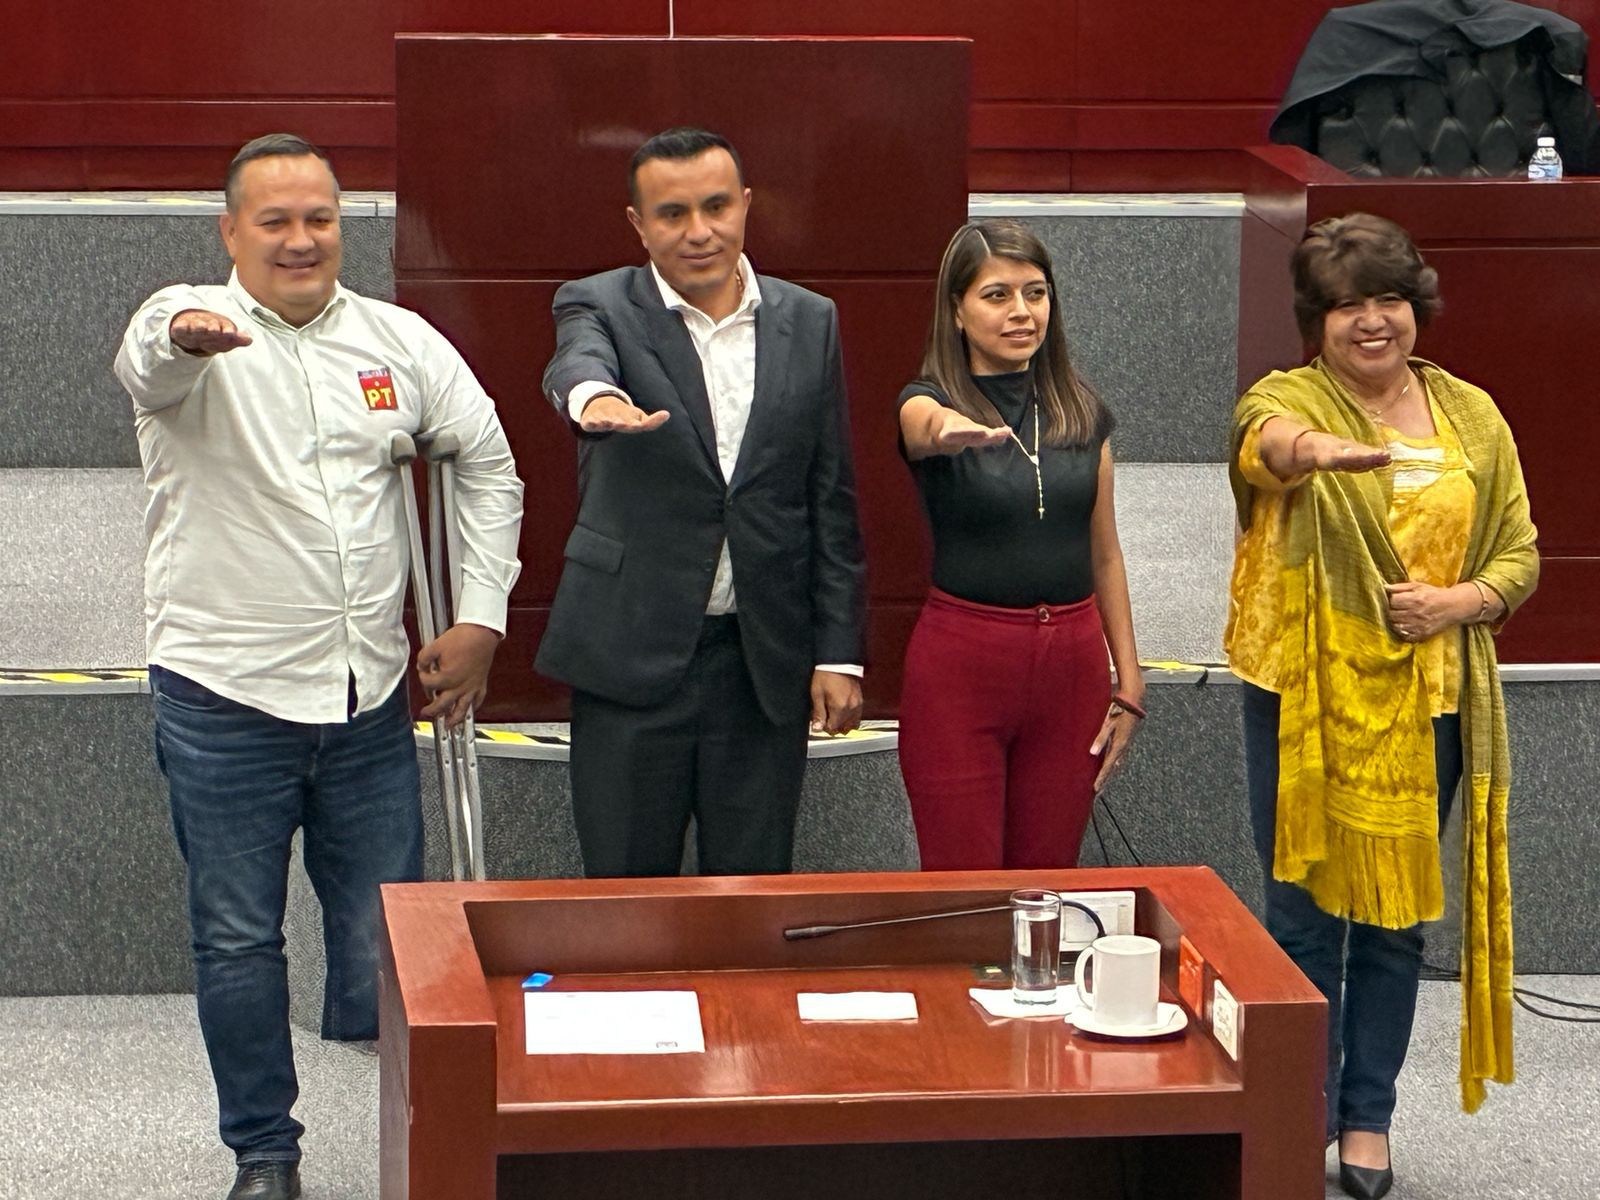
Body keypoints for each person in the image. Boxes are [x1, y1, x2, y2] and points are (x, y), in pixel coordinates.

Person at [113, 133, 524, 1200]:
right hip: (225, 697)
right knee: (238, 937)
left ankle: (429, 1134)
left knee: (395, 936)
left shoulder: (397, 340)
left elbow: (485, 462)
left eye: (320, 219)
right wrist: (188, 333)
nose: (301, 240)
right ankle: (266, 1153)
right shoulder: (187, 327)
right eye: (275, 222)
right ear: (230, 231)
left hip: (366, 697)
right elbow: (153, 352)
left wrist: (479, 617)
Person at [1226, 213, 1538, 1200]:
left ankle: (1366, 1119)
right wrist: (1316, 451)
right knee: (1303, 920)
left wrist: (1458, 602)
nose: (1373, 321)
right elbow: (1260, 445)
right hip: (1305, 697)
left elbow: (1520, 554)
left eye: (1389, 299)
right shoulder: (1288, 398)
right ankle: (1297, 1116)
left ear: (1417, 306)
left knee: (1395, 924)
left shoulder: (1470, 414)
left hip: (1429, 698)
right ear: (1315, 321)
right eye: (1348, 304)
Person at [537, 127, 867, 878]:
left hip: (762, 665)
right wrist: (593, 399)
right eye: (672, 213)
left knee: (750, 902)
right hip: (630, 655)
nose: (699, 231)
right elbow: (576, 361)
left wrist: (839, 652)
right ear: (638, 224)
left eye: (716, 207)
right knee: (625, 904)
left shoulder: (810, 319)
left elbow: (831, 498)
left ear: (746, 204)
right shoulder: (598, 302)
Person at [895, 220, 1143, 870]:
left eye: (1035, 293)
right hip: (963, 665)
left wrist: (1130, 679)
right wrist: (950, 430)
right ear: (957, 309)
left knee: (1046, 883)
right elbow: (921, 426)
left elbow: (1105, 554)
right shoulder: (928, 400)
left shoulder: (1081, 411)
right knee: (964, 886)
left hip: (1072, 666)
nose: (1021, 312)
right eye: (997, 295)